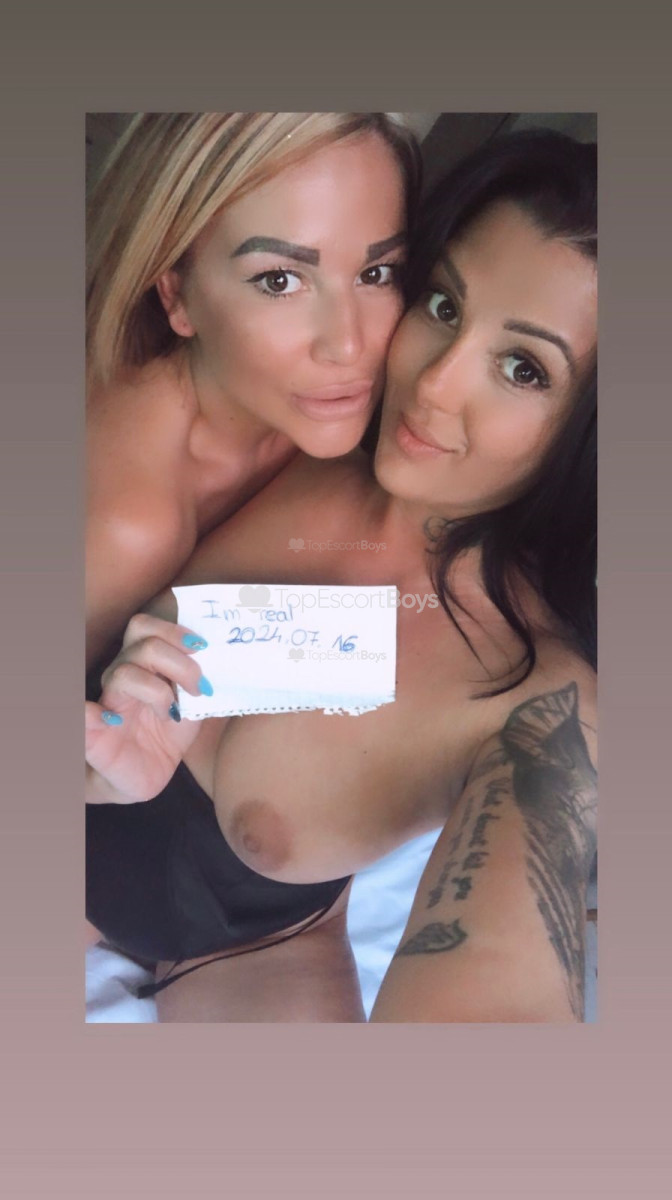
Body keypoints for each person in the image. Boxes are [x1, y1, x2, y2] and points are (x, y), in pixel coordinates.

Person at [86, 130, 598, 1023]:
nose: (432, 385)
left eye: (523, 369)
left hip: (254, 945)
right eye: (442, 304)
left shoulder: (541, 698)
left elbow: (498, 976)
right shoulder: (309, 425)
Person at [86, 112, 419, 671]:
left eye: (377, 273)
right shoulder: (126, 530)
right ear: (175, 296)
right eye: (279, 280)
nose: (348, 345)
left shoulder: (308, 423)